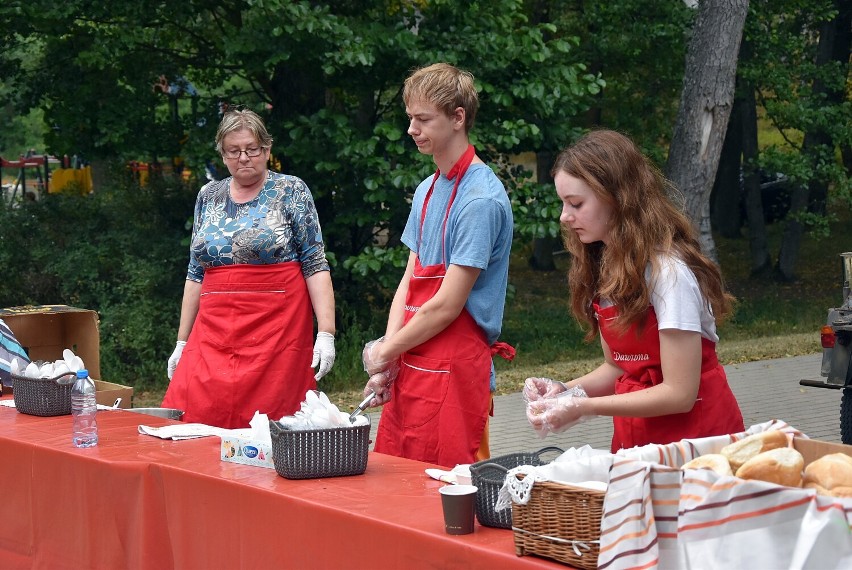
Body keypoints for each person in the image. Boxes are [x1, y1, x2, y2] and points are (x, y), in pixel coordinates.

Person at [524, 129, 744, 452]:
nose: (564, 217)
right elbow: (618, 367)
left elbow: (679, 393)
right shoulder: (605, 265)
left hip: (699, 443)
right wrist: (563, 392)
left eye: (575, 203)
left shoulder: (669, 274)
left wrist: (584, 408)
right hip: (639, 442)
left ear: (616, 197)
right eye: (563, 203)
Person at [361, 63, 515, 468]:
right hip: (413, 357)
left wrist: (385, 351)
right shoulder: (428, 189)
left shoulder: (480, 200)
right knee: (397, 482)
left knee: (451, 493)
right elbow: (410, 281)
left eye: (423, 118)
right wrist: (389, 355)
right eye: (410, 117)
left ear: (458, 117)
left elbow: (447, 304)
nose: (411, 128)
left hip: (456, 368)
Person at [163, 108, 336, 429]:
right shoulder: (208, 196)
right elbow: (195, 271)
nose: (244, 157)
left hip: (276, 325)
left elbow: (314, 263)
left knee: (274, 414)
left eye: (252, 149)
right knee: (194, 407)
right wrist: (182, 341)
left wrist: (326, 332)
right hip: (214, 325)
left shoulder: (291, 191)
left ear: (267, 150)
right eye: (234, 151)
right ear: (222, 154)